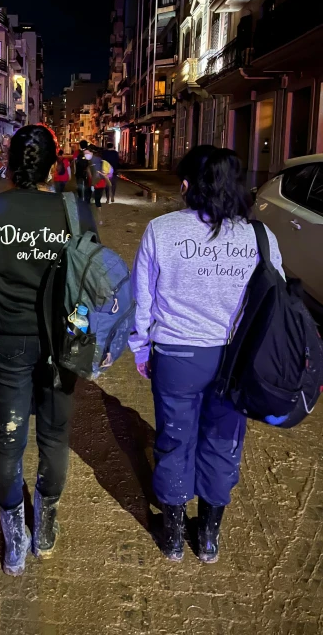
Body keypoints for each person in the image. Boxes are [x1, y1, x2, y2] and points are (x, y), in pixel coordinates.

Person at [129, 145, 284, 563]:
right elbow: (274, 302)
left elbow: (142, 298)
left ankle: (175, 534)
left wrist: (141, 347)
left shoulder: (162, 230)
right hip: (236, 362)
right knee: (223, 441)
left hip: (177, 356)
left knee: (174, 439)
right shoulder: (260, 237)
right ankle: (210, 535)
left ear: (185, 186)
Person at [0, 125, 95, 576]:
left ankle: (14, 535)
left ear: (10, 162)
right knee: (55, 434)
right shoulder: (74, 211)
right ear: (55, 165)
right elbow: (91, 277)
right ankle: (47, 519)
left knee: (9, 436)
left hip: (10, 341)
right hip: (63, 341)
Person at [85, 145, 108, 225]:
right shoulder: (97, 159)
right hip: (100, 183)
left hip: (97, 183)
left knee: (95, 200)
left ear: (91, 152)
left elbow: (96, 175)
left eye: (87, 153)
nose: (85, 155)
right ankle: (98, 218)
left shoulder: (94, 161)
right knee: (95, 200)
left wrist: (92, 185)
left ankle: (98, 218)